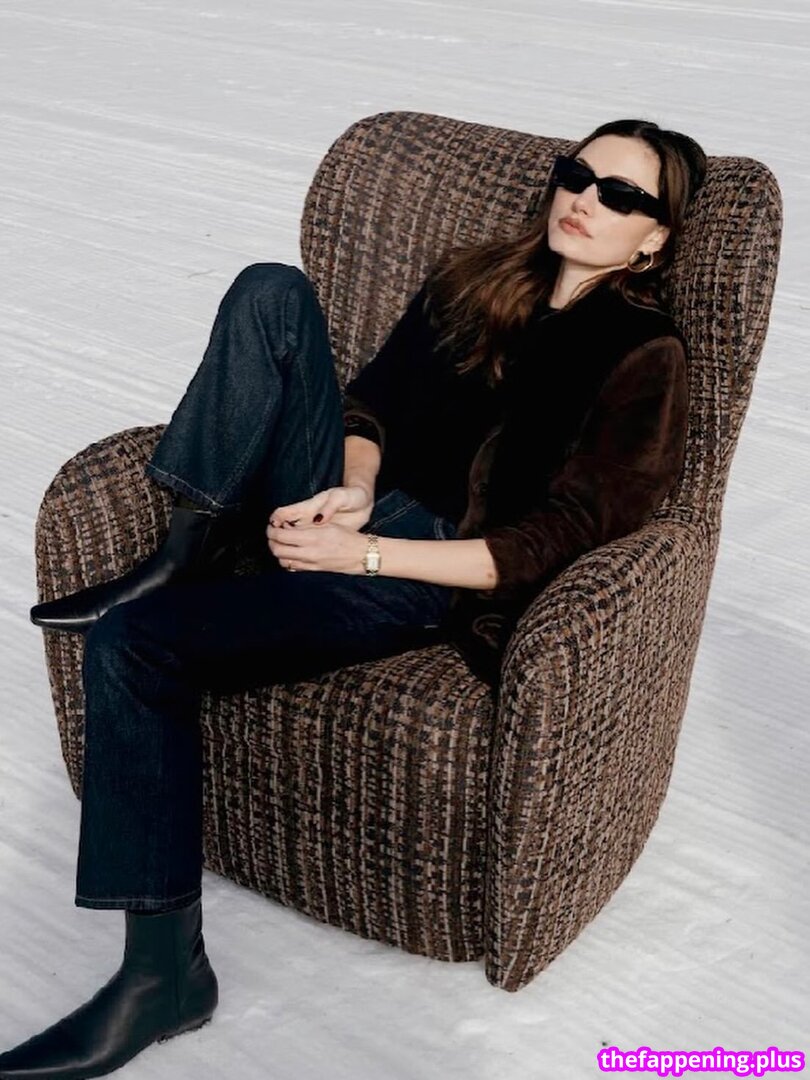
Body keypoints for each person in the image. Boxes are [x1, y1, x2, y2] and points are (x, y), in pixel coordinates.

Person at [1, 117, 706, 1079]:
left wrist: (365, 553)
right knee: (271, 289)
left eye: (620, 195)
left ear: (653, 238)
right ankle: (183, 548)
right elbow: (368, 403)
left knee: (133, 643)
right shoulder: (477, 281)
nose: (585, 200)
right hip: (356, 508)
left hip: (424, 572)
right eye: (576, 175)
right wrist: (354, 489)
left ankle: (162, 977)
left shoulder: (643, 355)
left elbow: (556, 540)